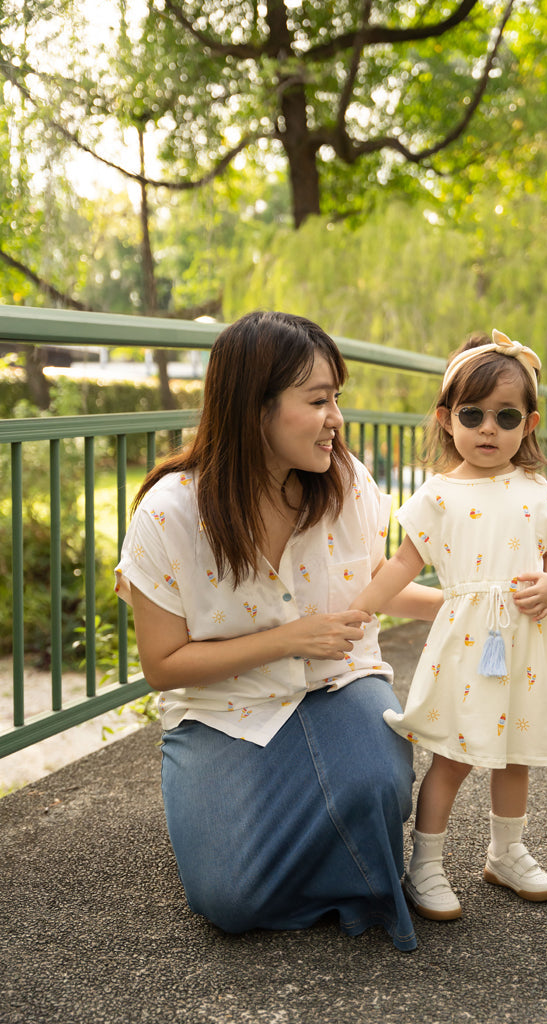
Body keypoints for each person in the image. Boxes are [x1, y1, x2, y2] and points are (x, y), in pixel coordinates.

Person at [114, 310, 441, 952]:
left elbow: (375, 582)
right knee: (227, 899)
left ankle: (339, 856)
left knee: (374, 782)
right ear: (254, 408)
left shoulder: (345, 483)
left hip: (338, 681)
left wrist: (471, 604)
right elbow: (162, 665)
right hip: (223, 709)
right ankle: (332, 855)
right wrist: (289, 638)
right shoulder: (169, 514)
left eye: (336, 399)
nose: (336, 419)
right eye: (318, 401)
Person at [350, 329, 547, 921]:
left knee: (516, 752)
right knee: (454, 754)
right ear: (446, 417)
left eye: (506, 416)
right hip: (466, 645)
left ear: (529, 424)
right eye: (473, 413)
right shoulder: (438, 496)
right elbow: (403, 565)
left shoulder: (536, 492)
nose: (489, 429)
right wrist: (358, 610)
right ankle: (426, 865)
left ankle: (506, 852)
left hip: (525, 642)